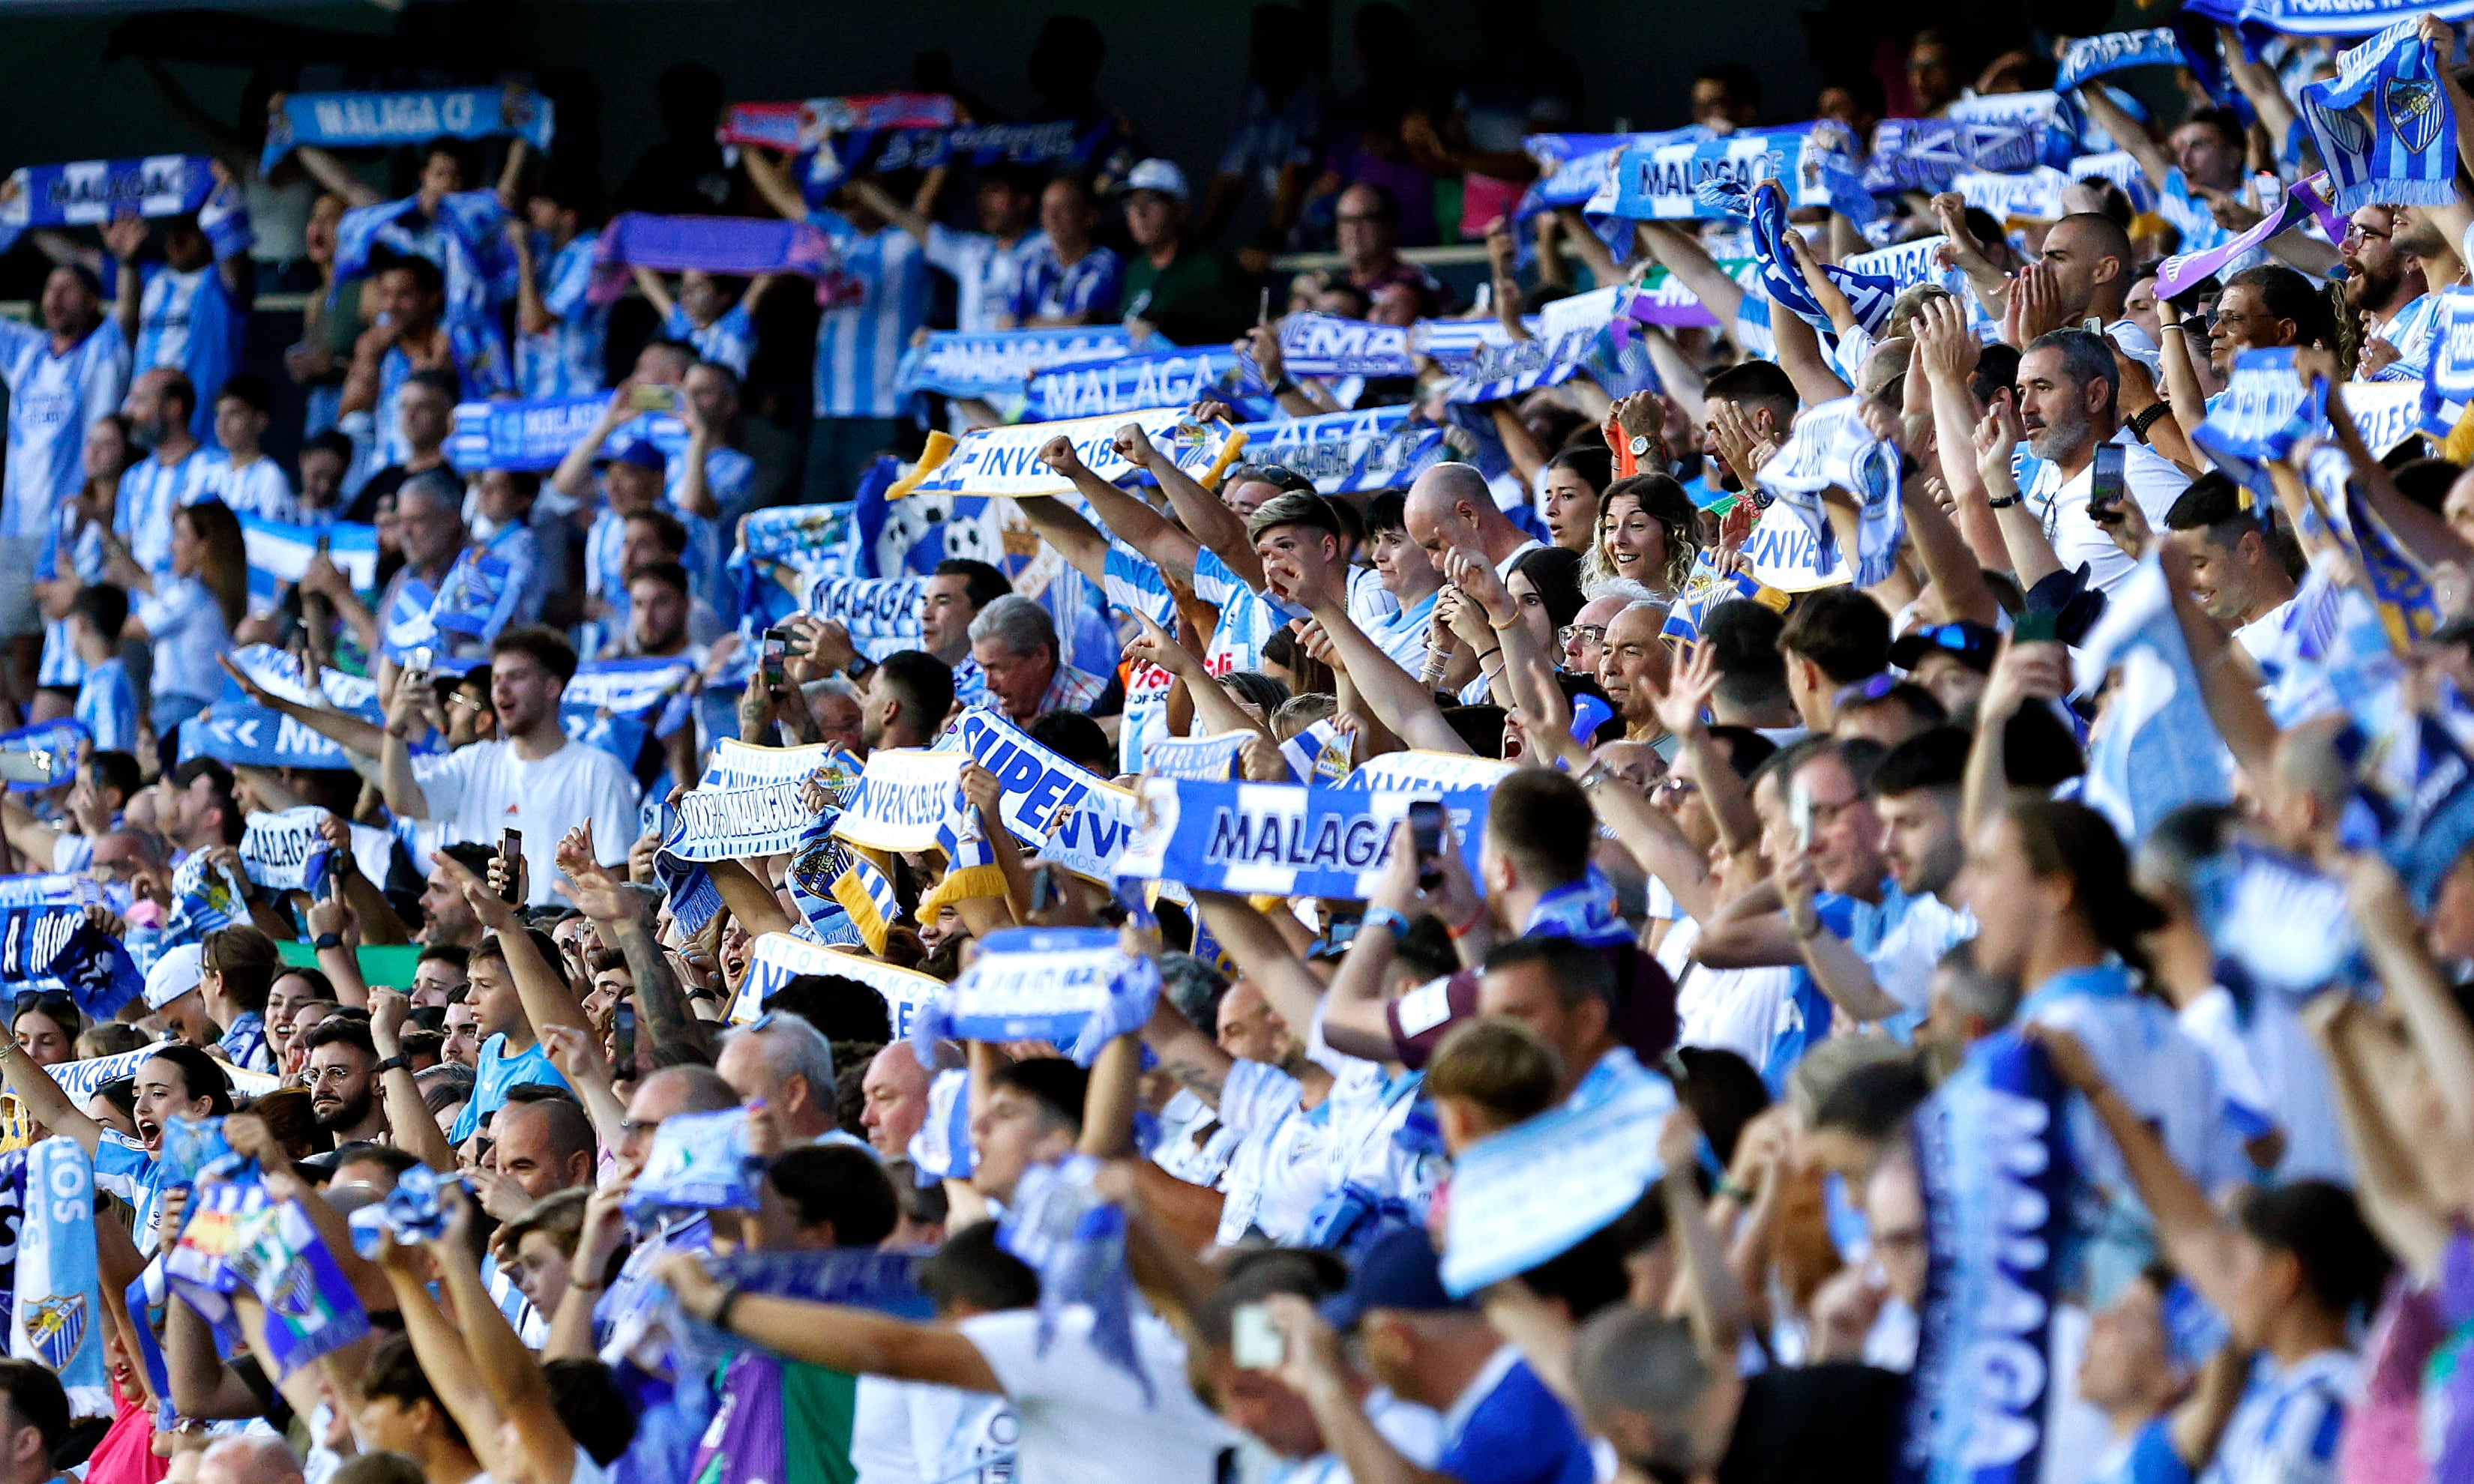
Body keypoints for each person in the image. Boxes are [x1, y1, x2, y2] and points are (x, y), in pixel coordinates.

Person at [381, 626, 641, 903]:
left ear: (552, 687)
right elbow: (405, 802)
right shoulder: (475, 761)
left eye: (516, 677)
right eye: (496, 679)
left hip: (555, 938)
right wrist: (395, 729)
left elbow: (614, 879)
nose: (501, 689)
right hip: (482, 937)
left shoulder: (600, 771)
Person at [0, 262, 130, 699]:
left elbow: (127, 313)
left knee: (57, 651)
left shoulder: (102, 352)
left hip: (68, 531)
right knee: (15, 654)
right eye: (49, 288)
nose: (54, 298)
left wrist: (125, 262)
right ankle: (19, 754)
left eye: (68, 289)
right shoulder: (27, 352)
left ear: (93, 300)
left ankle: (52, 751)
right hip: (15, 529)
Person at [1119, 159, 1256, 346]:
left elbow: (1242, 328)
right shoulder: (1134, 268)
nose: (1140, 212)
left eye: (1152, 201)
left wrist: (1176, 326)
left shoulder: (1210, 267)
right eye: (1132, 202)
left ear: (1181, 210)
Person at [968, 593, 1109, 724]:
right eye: (982, 668)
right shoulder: (988, 708)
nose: (988, 684)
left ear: (1041, 655)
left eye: (999, 669)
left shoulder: (1094, 707)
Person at [1010, 173, 1125, 326]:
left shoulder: (1107, 265)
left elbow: (1087, 324)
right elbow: (1010, 322)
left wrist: (1031, 324)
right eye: (1046, 209)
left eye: (1063, 208)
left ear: (1090, 216)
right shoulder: (1033, 263)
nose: (1052, 217)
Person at [193, 373, 296, 520]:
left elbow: (276, 537)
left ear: (260, 420)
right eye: (219, 415)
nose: (222, 424)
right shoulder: (208, 474)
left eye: (234, 414)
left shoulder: (270, 477)